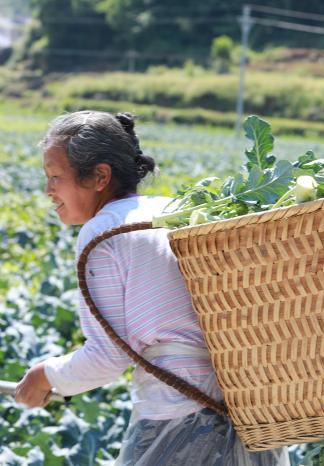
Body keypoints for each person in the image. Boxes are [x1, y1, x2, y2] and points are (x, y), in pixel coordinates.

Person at [14, 111, 289, 466]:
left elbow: (107, 358)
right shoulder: (172, 212)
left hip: (180, 419)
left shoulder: (104, 234)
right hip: (253, 409)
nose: (48, 191)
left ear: (100, 176)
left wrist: (46, 376)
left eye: (55, 177)